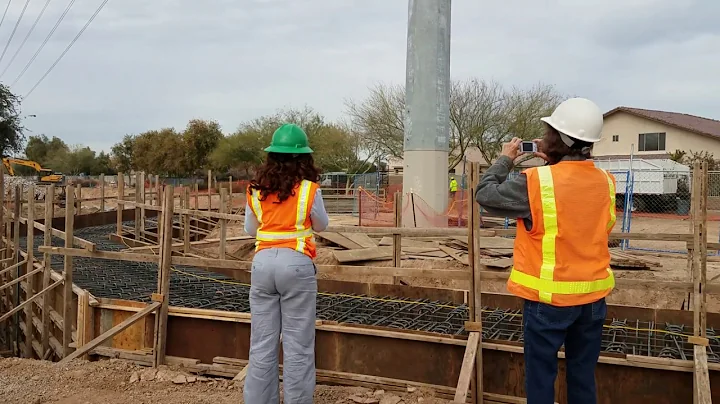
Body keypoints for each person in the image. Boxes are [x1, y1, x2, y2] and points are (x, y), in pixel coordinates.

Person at [474, 98, 615, 404]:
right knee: (582, 374)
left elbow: (485, 195)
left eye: (549, 132)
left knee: (541, 376)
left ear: (559, 140)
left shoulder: (537, 182)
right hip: (592, 300)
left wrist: (505, 160)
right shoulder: (605, 182)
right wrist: (555, 161)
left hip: (549, 302)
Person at [243, 123, 329, 404]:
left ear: (271, 156)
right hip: (296, 265)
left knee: (262, 344)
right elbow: (322, 226)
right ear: (303, 157)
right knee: (298, 346)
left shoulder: (256, 190)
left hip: (263, 265)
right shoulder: (309, 190)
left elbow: (249, 229)